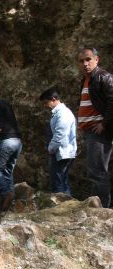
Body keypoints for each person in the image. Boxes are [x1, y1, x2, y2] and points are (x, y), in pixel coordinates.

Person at [77, 47, 113, 208]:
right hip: (90, 132)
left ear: (96, 60)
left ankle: (101, 210)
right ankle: (97, 207)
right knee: (94, 171)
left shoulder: (103, 77)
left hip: (99, 132)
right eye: (81, 61)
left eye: (88, 59)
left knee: (98, 172)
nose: (85, 63)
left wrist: (104, 124)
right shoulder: (87, 80)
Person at [39, 88, 77, 195]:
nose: (45, 105)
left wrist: (51, 148)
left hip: (62, 152)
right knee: (62, 180)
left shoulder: (63, 113)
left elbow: (60, 134)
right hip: (63, 152)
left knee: (58, 182)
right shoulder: (60, 113)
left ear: (54, 99)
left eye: (46, 102)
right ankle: (66, 206)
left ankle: (61, 208)